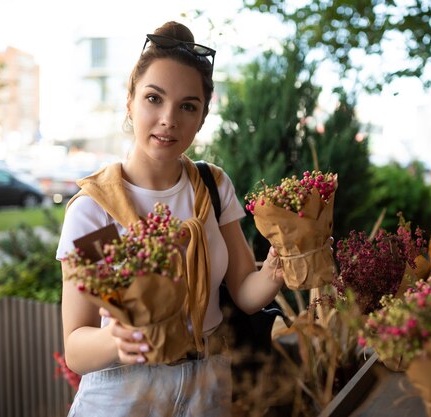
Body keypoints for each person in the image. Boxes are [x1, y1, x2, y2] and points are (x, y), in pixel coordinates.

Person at [56, 21, 285, 416]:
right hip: (125, 392)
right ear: (129, 102)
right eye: (153, 98)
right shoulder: (97, 208)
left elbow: (245, 293)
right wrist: (118, 341)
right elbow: (76, 345)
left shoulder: (211, 187)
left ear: (202, 117)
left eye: (187, 106)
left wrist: (284, 264)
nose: (169, 119)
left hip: (208, 385)